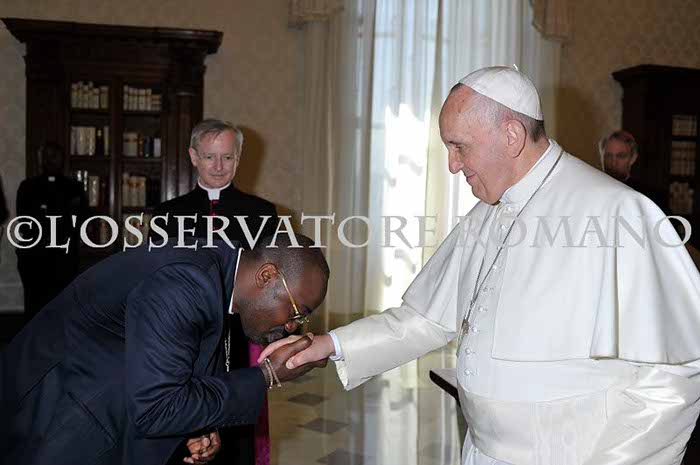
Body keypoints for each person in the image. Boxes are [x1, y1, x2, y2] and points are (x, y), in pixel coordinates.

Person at [262, 66, 700, 464]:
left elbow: (676, 375)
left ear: (511, 135)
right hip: (481, 452)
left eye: (459, 147)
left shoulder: (619, 213)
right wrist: (331, 345)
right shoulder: (488, 213)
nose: (452, 166)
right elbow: (425, 319)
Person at [0, 234, 329, 465]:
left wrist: (198, 423)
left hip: (96, 399)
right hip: (58, 417)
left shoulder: (220, 268)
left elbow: (175, 358)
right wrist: (266, 376)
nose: (292, 326)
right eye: (296, 312)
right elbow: (156, 408)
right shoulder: (185, 282)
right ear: (267, 275)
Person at [153, 118, 279, 465]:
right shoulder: (167, 215)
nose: (219, 166)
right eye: (210, 157)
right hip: (182, 333)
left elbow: (273, 277)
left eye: (227, 157)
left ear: (238, 158)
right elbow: (154, 279)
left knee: (237, 419)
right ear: (194, 156)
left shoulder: (262, 213)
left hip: (239, 333)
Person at [15, 142, 87, 322]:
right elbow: (25, 222)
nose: (50, 160)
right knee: (34, 309)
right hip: (35, 257)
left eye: (54, 156)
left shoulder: (74, 187)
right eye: (46, 156)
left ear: (62, 159)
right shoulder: (28, 187)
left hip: (63, 258)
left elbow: (81, 220)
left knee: (62, 308)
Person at [599, 129, 666, 208]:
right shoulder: (591, 191)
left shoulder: (648, 197)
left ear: (633, 159)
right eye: (608, 156)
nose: (613, 162)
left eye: (620, 156)